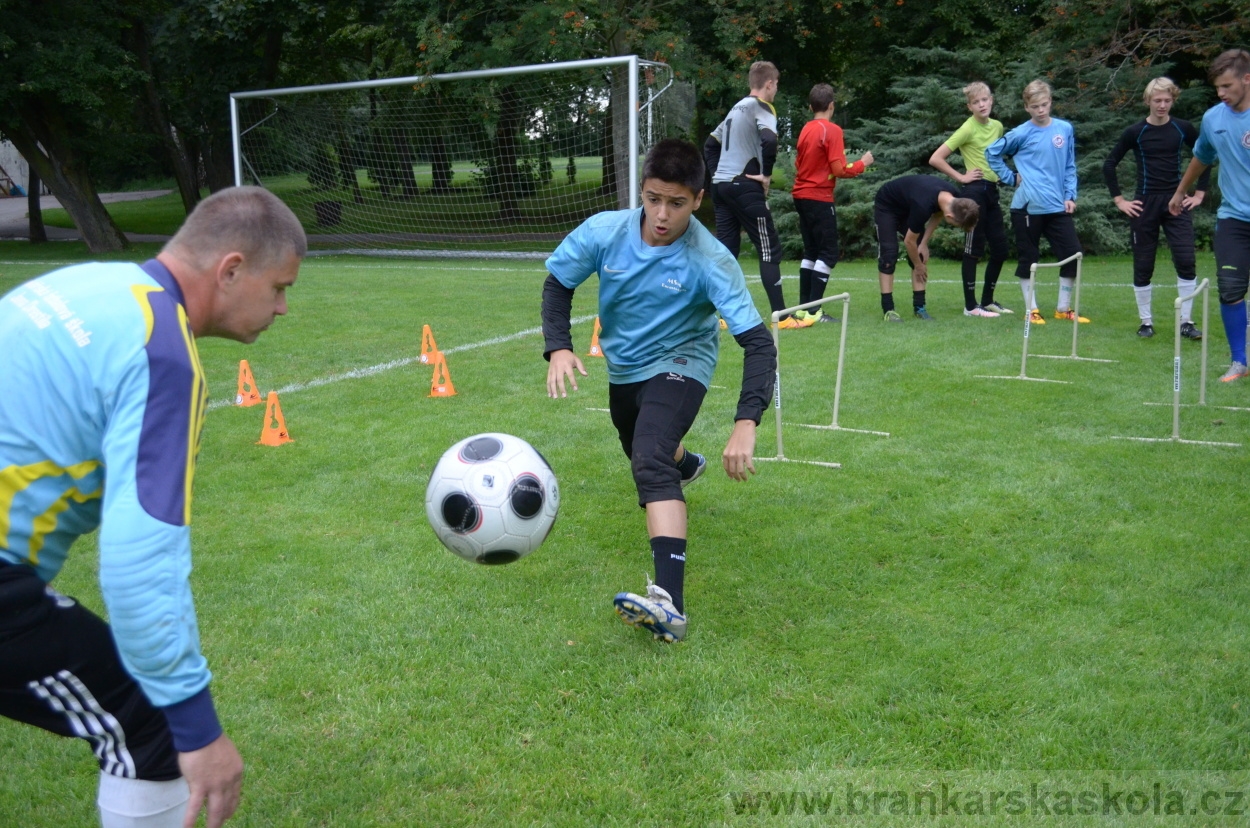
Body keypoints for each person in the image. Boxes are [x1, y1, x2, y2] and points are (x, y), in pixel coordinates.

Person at [0, 186, 306, 828]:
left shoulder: (83, 285)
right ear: (230, 270)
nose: (283, 308)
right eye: (279, 288)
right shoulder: (163, 355)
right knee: (150, 723)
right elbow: (139, 570)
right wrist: (196, 727)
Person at [542, 138, 775, 643]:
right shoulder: (606, 231)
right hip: (625, 368)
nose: (662, 214)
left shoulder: (711, 260)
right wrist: (559, 347)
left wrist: (745, 423)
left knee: (647, 459)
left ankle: (669, 604)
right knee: (642, 448)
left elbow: (759, 345)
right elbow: (558, 283)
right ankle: (685, 464)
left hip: (683, 360)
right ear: (641, 192)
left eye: (676, 202)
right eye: (653, 199)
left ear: (698, 199)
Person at [1104, 77, 1209, 339]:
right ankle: (1146, 323)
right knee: (1143, 265)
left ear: (1173, 100)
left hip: (1176, 202)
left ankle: (1186, 322)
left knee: (1186, 260)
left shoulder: (1183, 128)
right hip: (1144, 205)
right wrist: (1120, 200)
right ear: (1147, 101)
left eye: (1167, 100)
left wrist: (1199, 194)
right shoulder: (1135, 132)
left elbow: (1206, 156)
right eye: (1157, 100)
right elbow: (1109, 164)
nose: (1162, 105)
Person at [1169, 49, 1250, 382]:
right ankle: (1239, 362)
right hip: (1233, 219)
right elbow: (1201, 158)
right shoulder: (1213, 119)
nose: (1221, 93)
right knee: (1230, 289)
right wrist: (1180, 192)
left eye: (1227, 85)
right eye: (1218, 87)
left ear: (1247, 79)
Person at [704, 61, 805, 328]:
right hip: (744, 185)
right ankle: (782, 317)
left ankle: (724, 317)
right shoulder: (763, 107)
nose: (776, 91)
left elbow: (709, 145)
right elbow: (769, 140)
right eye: (776, 85)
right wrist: (766, 174)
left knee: (727, 251)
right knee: (769, 247)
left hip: (721, 187)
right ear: (769, 83)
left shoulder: (734, 109)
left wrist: (718, 174)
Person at [986, 79, 1084, 326]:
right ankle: (1032, 310)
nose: (1041, 110)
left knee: (1072, 255)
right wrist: (1010, 177)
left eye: (1044, 104)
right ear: (1027, 107)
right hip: (1027, 207)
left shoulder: (1064, 129)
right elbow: (992, 153)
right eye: (1035, 106)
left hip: (1058, 207)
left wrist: (1070, 196)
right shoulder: (1020, 133)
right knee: (1029, 258)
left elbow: (1070, 165)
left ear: (1050, 102)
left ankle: (1063, 309)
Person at [790, 83, 874, 325]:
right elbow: (839, 168)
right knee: (828, 253)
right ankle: (815, 310)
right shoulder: (832, 130)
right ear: (831, 106)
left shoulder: (806, 128)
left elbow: (799, 163)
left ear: (810, 106)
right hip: (818, 196)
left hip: (801, 194)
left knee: (811, 251)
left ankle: (803, 309)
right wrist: (862, 164)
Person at [929, 81, 1012, 317]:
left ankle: (988, 300)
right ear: (970, 107)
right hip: (974, 192)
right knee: (973, 249)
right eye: (976, 102)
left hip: (992, 191)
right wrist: (961, 177)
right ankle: (970, 306)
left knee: (1000, 249)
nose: (981, 104)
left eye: (984, 100)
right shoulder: (967, 128)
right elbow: (936, 158)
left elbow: (995, 157)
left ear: (991, 100)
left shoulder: (997, 126)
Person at [873, 174, 980, 321]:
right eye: (958, 225)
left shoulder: (955, 198)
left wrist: (923, 243)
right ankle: (888, 310)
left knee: (921, 254)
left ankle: (919, 307)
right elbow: (909, 241)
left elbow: (937, 215)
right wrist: (918, 266)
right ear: (950, 217)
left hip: (908, 205)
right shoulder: (923, 205)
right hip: (887, 205)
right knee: (889, 254)